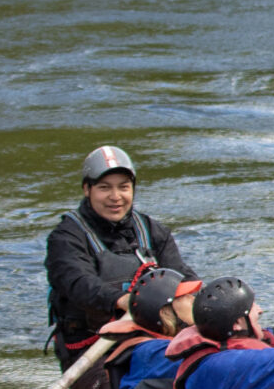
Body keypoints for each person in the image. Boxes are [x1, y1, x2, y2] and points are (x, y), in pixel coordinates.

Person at [43, 146, 193, 369]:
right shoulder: (65, 238)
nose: (115, 197)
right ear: (87, 189)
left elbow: (184, 279)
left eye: (123, 187)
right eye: (104, 188)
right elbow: (80, 283)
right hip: (92, 350)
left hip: (153, 340)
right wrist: (124, 301)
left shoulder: (154, 231)